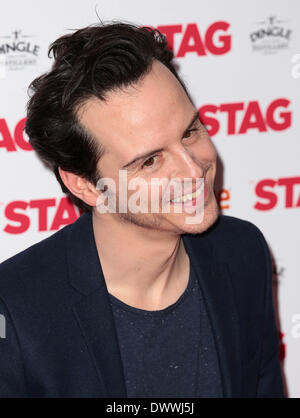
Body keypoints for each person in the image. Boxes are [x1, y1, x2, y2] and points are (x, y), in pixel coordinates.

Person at [0, 22, 284, 398]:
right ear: (85, 185)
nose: (193, 169)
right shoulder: (17, 312)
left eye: (190, 132)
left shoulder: (242, 251)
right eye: (150, 161)